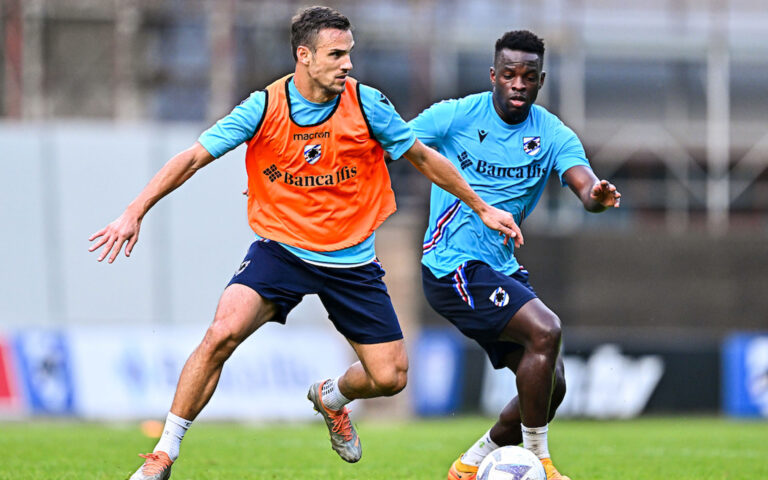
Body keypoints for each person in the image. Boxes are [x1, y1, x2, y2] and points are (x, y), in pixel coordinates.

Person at [88, 6, 523, 480]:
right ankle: (163, 453)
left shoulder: (368, 105)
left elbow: (421, 156)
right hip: (282, 250)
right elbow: (193, 158)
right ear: (304, 56)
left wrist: (482, 207)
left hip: (352, 259)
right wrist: (134, 211)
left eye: (349, 54)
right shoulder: (265, 106)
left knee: (391, 377)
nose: (348, 64)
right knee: (220, 334)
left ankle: (331, 397)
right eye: (336, 55)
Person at [412, 30, 621, 480]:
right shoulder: (455, 116)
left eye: (528, 76)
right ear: (494, 75)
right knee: (546, 330)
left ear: (541, 80)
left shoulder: (551, 133)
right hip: (452, 266)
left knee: (552, 385)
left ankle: (471, 463)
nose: (518, 84)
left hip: (500, 267)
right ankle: (540, 463)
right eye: (509, 74)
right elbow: (393, 143)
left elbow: (583, 184)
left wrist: (597, 195)